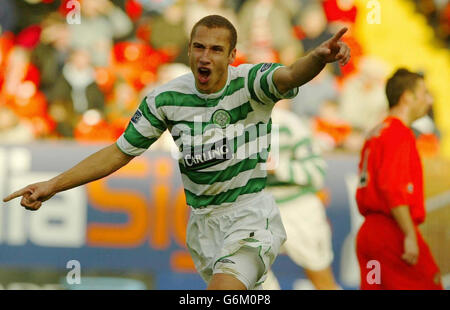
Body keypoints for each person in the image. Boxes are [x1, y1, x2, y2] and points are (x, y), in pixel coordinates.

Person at [3, 15, 350, 290]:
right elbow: (118, 153)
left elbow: (290, 75)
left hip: (249, 218)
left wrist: (318, 58)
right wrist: (53, 185)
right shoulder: (165, 99)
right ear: (189, 50)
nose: (205, 56)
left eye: (216, 49)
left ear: (232, 56)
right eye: (198, 47)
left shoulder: (250, 84)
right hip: (203, 227)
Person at [355, 68, 443, 290]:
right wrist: (409, 235)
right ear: (408, 97)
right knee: (429, 283)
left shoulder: (376, 131)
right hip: (392, 232)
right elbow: (392, 187)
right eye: (424, 93)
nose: (429, 100)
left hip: (369, 234)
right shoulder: (399, 133)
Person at [262, 100, 340, 290]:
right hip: (259, 208)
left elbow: (317, 171)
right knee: (252, 274)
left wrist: (278, 167)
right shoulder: (239, 125)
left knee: (320, 276)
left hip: (299, 208)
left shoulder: (290, 124)